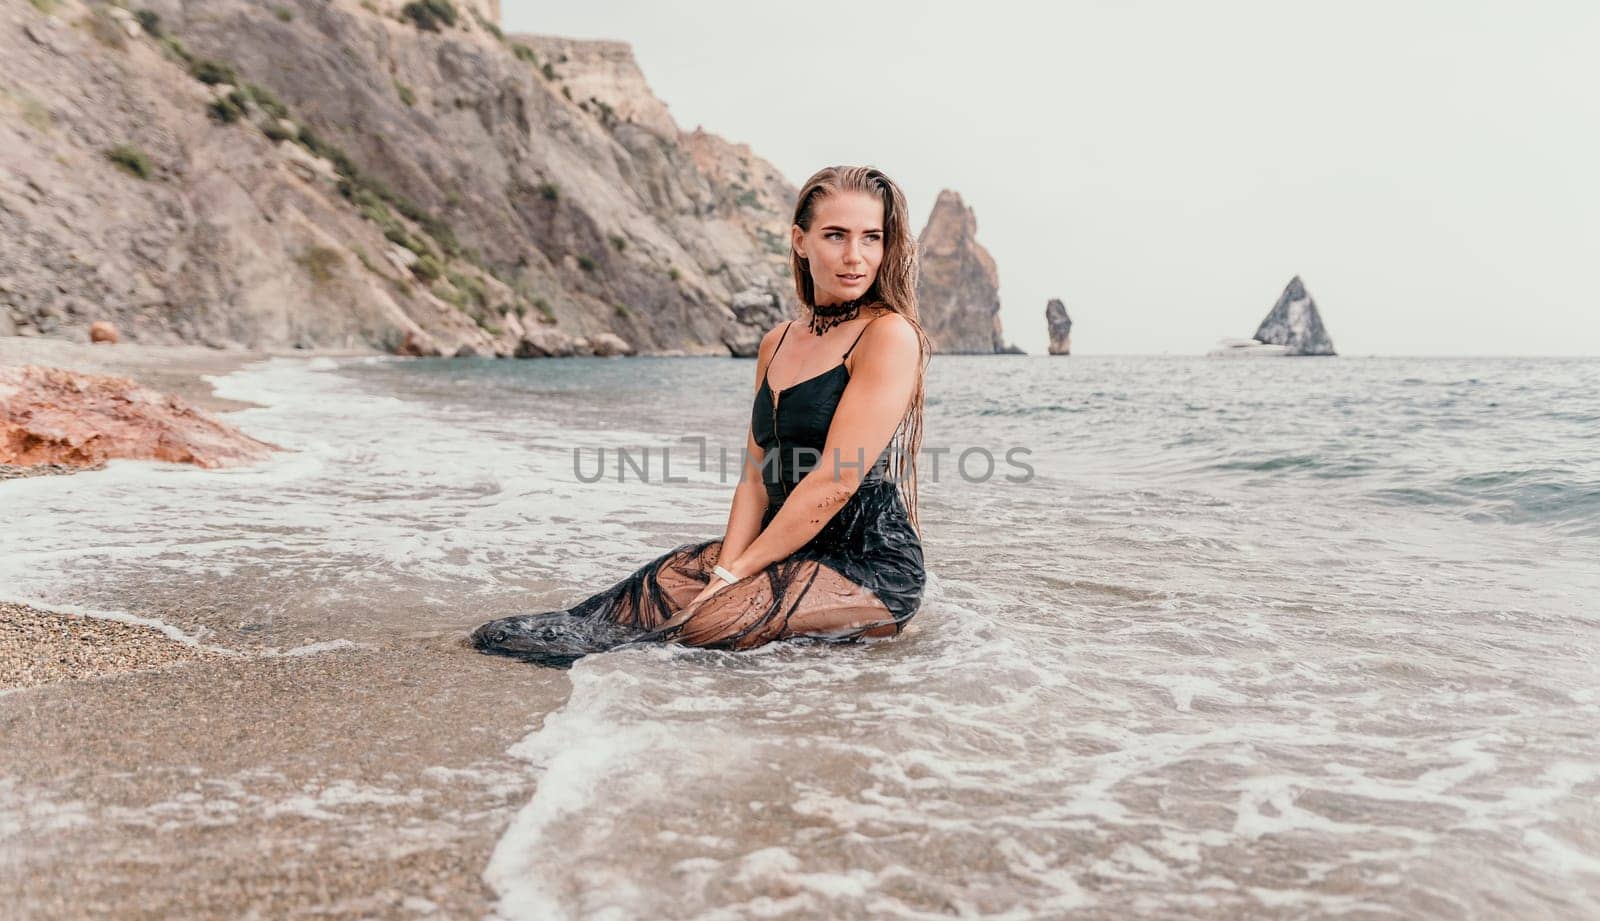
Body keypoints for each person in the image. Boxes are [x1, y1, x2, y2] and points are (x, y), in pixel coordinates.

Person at [470, 166, 932, 667]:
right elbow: (756, 480)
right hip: (780, 545)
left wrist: (734, 577)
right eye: (835, 235)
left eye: (871, 238)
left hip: (866, 565)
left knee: (693, 631)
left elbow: (835, 482)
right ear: (800, 241)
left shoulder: (887, 335)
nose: (854, 257)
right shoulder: (776, 342)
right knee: (636, 600)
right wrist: (727, 567)